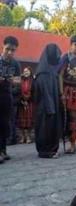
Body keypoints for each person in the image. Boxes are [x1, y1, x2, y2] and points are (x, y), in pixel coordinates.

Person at [34, 44, 62, 158]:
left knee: (51, 128)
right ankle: (45, 151)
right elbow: (45, 92)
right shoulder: (43, 72)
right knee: (45, 128)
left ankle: (51, 149)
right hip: (46, 107)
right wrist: (50, 107)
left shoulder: (50, 70)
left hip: (52, 105)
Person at [0, 36, 21, 164]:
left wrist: (13, 81)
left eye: (13, 50)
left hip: (7, 96)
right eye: (7, 49)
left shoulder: (16, 64)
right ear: (3, 47)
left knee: (5, 124)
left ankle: (3, 150)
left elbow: (18, 80)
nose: (10, 52)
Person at [17, 66, 34, 144]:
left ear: (30, 72)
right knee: (21, 121)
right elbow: (18, 90)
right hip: (22, 103)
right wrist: (22, 100)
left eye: (27, 71)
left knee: (29, 121)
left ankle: (28, 137)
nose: (25, 72)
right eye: (24, 71)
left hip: (30, 103)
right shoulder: (20, 80)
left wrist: (28, 100)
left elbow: (34, 91)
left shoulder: (33, 81)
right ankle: (22, 137)